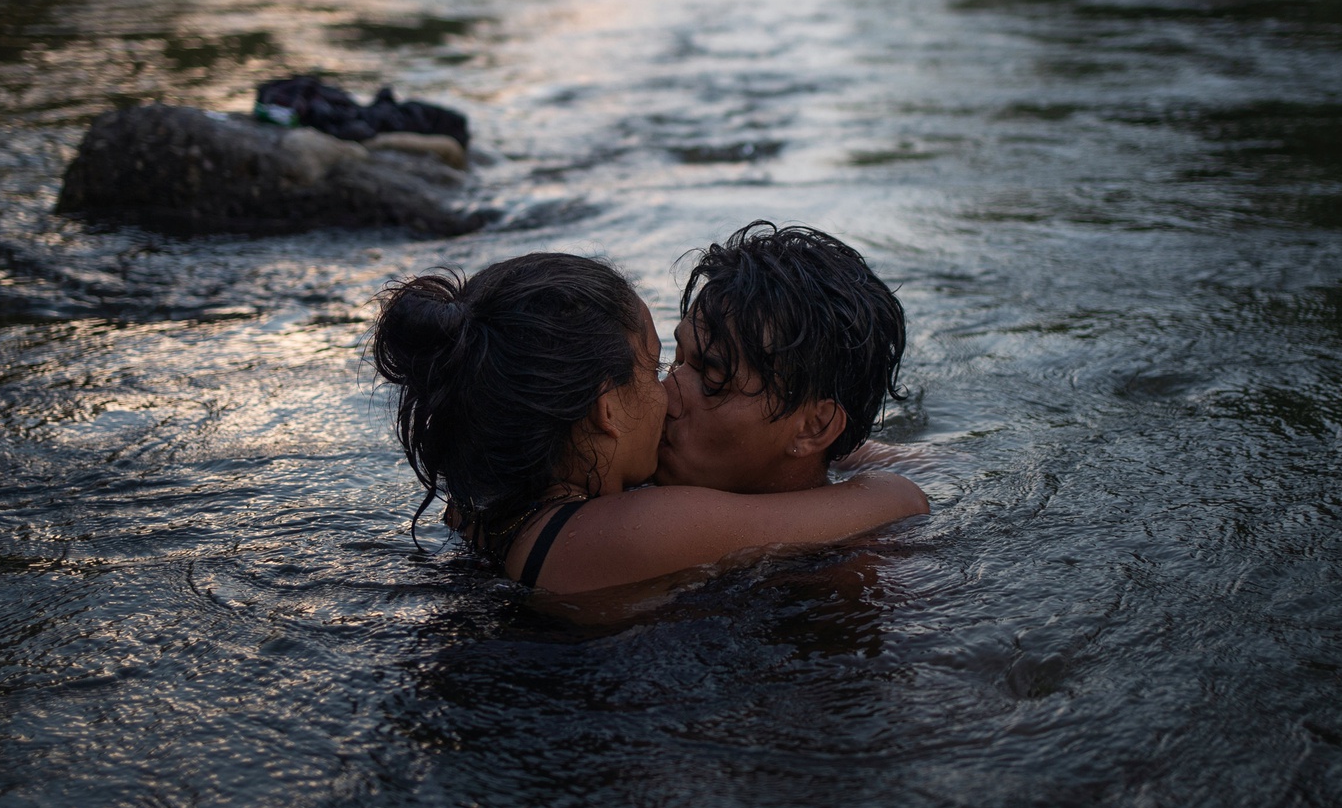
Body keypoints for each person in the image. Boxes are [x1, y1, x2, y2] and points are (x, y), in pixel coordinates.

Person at [372, 253, 927, 596]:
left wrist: (865, 451)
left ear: (815, 427)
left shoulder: (497, 492)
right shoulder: (644, 525)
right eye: (663, 363)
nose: (667, 391)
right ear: (605, 412)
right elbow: (901, 498)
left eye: (707, 375)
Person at [655, 222, 914, 495]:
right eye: (678, 360)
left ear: (814, 427)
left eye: (712, 380)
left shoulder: (881, 531)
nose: (663, 394)